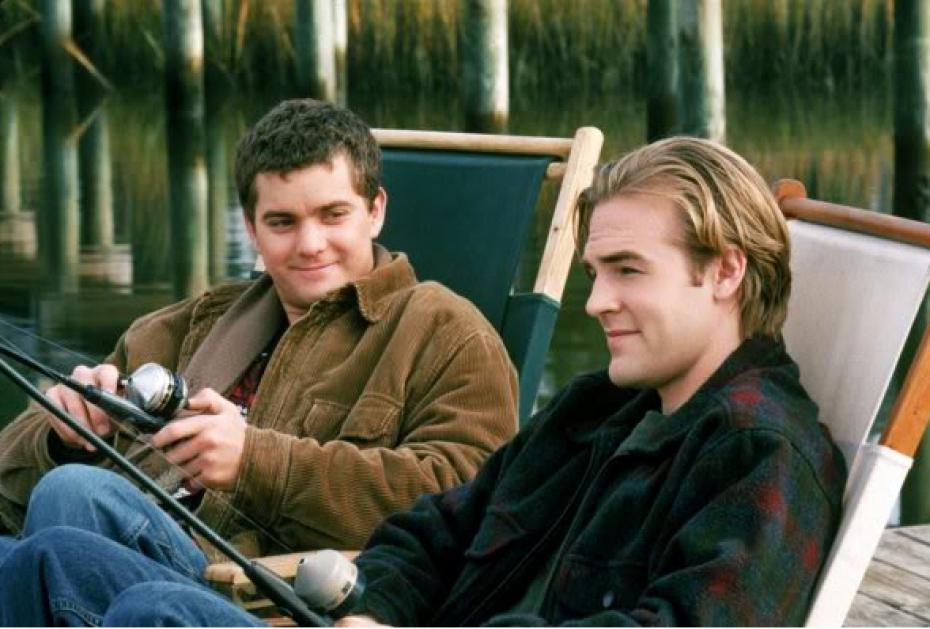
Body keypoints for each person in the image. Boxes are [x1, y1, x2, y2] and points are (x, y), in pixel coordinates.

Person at [0, 136, 847, 627]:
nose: (596, 302)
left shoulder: (762, 451)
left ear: (725, 270)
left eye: (628, 270)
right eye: (595, 272)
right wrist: (375, 609)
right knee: (55, 558)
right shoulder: (600, 406)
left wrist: (260, 463)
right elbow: (435, 528)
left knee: (153, 612)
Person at [0, 100, 517, 579]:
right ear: (251, 228)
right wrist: (60, 435)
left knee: (73, 497)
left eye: (333, 215)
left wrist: (257, 464)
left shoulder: (446, 332)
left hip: (253, 598)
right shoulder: (180, 327)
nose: (310, 244)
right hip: (116, 565)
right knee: (44, 523)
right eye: (282, 222)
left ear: (375, 210)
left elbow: (471, 502)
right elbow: (7, 492)